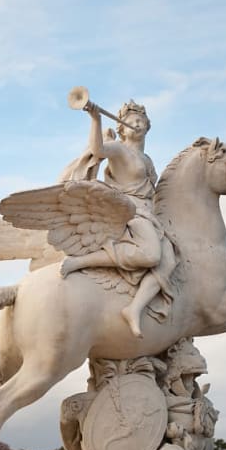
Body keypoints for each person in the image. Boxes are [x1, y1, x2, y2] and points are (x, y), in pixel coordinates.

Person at [60, 99, 176, 336]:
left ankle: (134, 308)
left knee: (170, 261)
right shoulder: (119, 149)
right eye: (132, 120)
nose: (137, 123)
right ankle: (79, 262)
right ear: (122, 128)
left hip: (149, 215)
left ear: (147, 126)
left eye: (141, 120)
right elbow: (98, 150)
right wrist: (95, 119)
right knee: (152, 254)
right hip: (131, 213)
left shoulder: (147, 160)